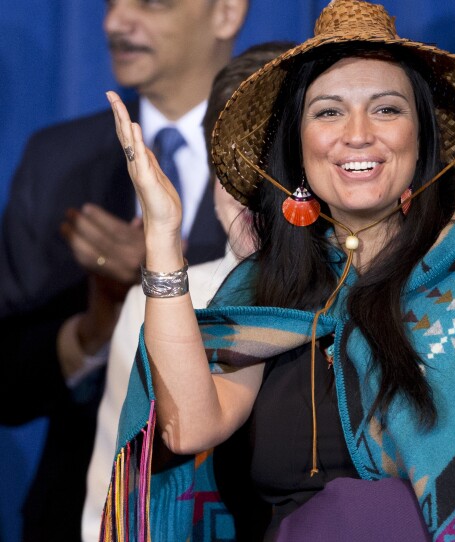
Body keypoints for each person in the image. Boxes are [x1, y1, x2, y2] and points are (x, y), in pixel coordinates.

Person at [103, 1, 455, 540]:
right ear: (299, 145)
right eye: (328, 111)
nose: (357, 134)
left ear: (421, 136)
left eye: (386, 109)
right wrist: (164, 237)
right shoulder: (265, 284)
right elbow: (188, 426)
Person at [0, 1, 248, 539]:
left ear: (227, 13)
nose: (115, 22)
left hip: (240, 507)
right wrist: (94, 326)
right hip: (77, 510)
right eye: (112, 4)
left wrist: (160, 275)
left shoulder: (286, 149)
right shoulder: (55, 159)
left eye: (152, 2)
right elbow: (9, 381)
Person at [80, 40, 294, 542]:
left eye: (275, 164)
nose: (250, 191)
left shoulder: (353, 293)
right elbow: (111, 501)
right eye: (232, 164)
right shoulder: (159, 301)